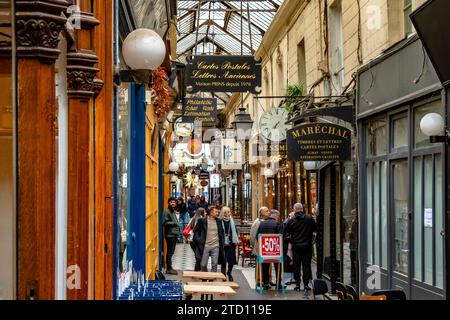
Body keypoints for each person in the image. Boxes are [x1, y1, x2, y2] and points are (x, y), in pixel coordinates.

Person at [284, 203, 317, 291]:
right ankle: (306, 284)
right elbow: (315, 229)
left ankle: (298, 284)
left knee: (296, 266)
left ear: (294, 210)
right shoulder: (309, 218)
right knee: (306, 265)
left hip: (296, 247)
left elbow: (286, 231)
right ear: (302, 209)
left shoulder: (292, 220)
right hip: (307, 246)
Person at [193, 205, 225, 272]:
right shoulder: (202, 220)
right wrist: (199, 240)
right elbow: (195, 231)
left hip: (216, 245)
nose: (217, 213)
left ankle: (212, 279)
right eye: (216, 212)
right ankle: (205, 277)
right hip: (205, 245)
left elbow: (221, 232)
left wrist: (222, 242)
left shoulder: (219, 221)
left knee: (214, 264)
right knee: (203, 264)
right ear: (211, 212)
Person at [257, 209, 283, 290]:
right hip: (275, 250)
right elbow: (281, 237)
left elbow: (258, 236)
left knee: (265, 265)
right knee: (277, 265)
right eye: (278, 216)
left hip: (265, 249)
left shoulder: (262, 223)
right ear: (275, 216)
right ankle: (278, 283)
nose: (278, 218)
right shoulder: (278, 224)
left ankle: (266, 283)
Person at [219, 206, 238, 281]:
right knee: (223, 260)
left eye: (229, 212)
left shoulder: (232, 221)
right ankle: (223, 275)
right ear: (223, 213)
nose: (229, 213)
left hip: (231, 243)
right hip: (223, 244)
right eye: (227, 212)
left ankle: (229, 273)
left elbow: (235, 231)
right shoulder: (220, 221)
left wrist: (235, 240)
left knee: (231, 260)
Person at [163, 197, 181, 275]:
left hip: (173, 234)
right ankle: (169, 268)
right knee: (170, 252)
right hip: (170, 234)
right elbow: (164, 222)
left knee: (171, 252)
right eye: (171, 202)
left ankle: (170, 267)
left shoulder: (172, 211)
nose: (173, 203)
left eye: (174, 202)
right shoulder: (166, 211)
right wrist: (174, 223)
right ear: (169, 203)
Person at [349, 209, 358, 286]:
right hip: (353, 246)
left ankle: (354, 280)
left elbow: (353, 235)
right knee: (353, 263)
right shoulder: (354, 222)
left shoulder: (355, 223)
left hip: (354, 247)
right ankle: (353, 279)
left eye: (352, 214)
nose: (351, 216)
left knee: (354, 263)